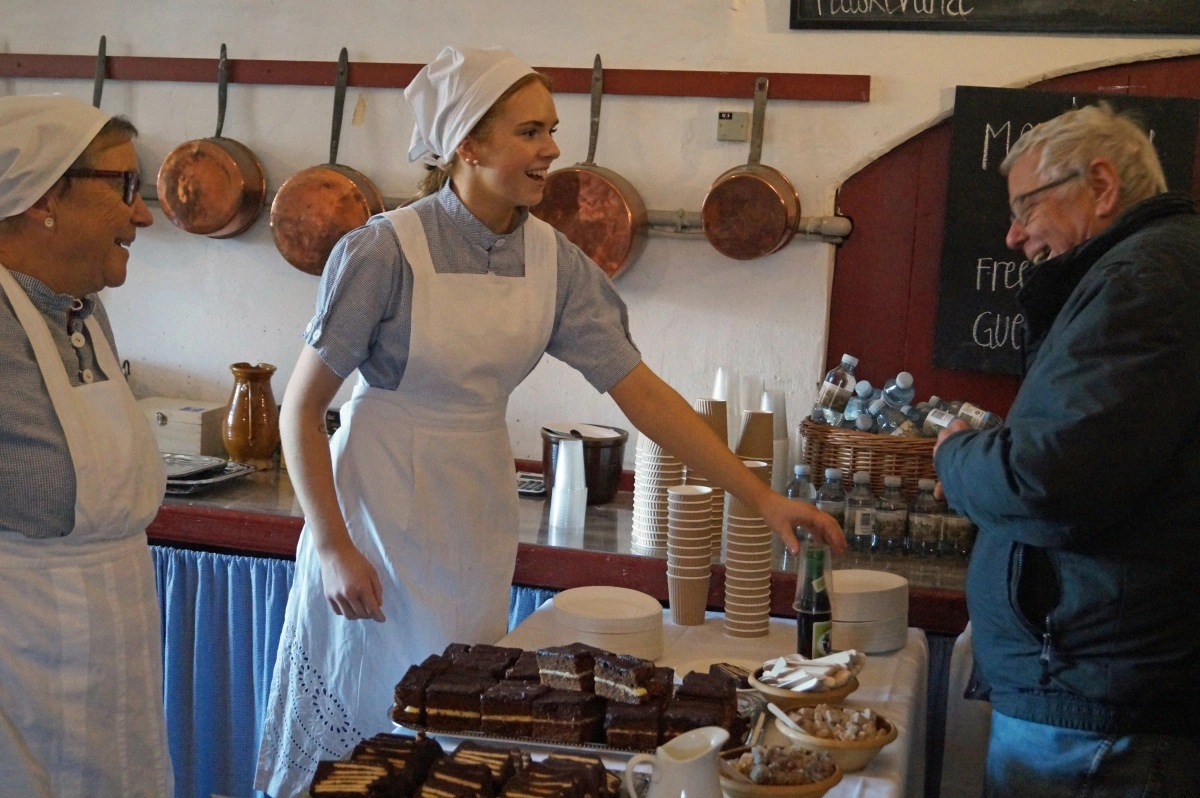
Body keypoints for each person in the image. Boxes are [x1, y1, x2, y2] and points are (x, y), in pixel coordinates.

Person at [254, 45, 843, 797]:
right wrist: (333, 546)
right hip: (377, 509)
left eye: (552, 129)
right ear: (466, 143)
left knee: (462, 721)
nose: (553, 149)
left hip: (474, 504)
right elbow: (301, 410)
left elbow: (643, 393)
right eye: (531, 132)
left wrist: (757, 496)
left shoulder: (553, 260)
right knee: (376, 733)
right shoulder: (383, 251)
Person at [933, 102, 1200, 796]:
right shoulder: (1155, 272)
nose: (1014, 233)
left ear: (1102, 185)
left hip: (1098, 714)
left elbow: (1047, 484)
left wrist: (956, 457)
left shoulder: (1142, 282)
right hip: (1109, 694)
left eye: (1026, 206)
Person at [0, 95, 171, 795]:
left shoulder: (82, 313)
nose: (144, 214)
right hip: (20, 665)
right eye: (125, 187)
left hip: (114, 659)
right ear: (44, 198)